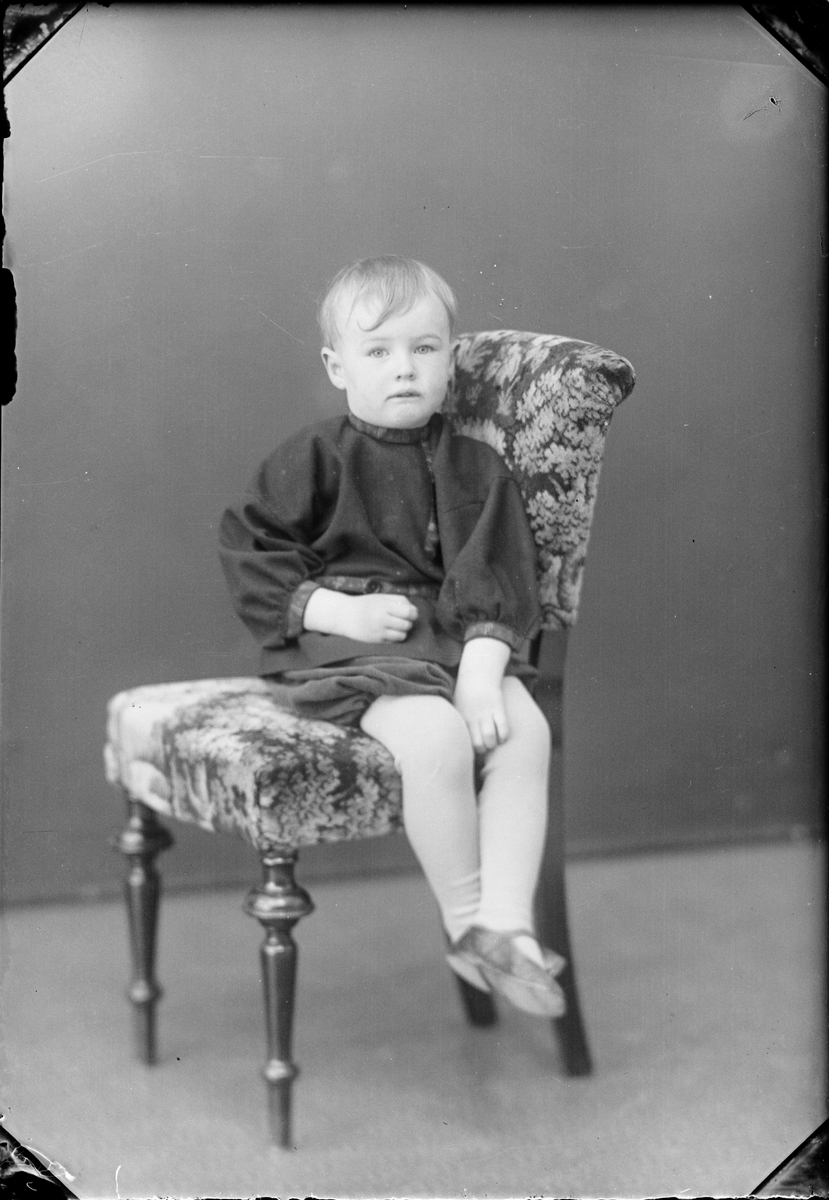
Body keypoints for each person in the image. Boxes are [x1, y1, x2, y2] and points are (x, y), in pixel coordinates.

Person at [219, 256, 565, 1017]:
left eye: (424, 348)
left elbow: (496, 573)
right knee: (435, 738)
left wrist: (483, 675)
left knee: (524, 732)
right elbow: (252, 549)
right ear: (336, 367)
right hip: (349, 647)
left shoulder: (475, 468)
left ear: (450, 358)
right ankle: (466, 922)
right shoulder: (314, 457)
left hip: (453, 643)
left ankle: (507, 924)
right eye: (378, 351)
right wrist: (334, 612)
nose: (403, 368)